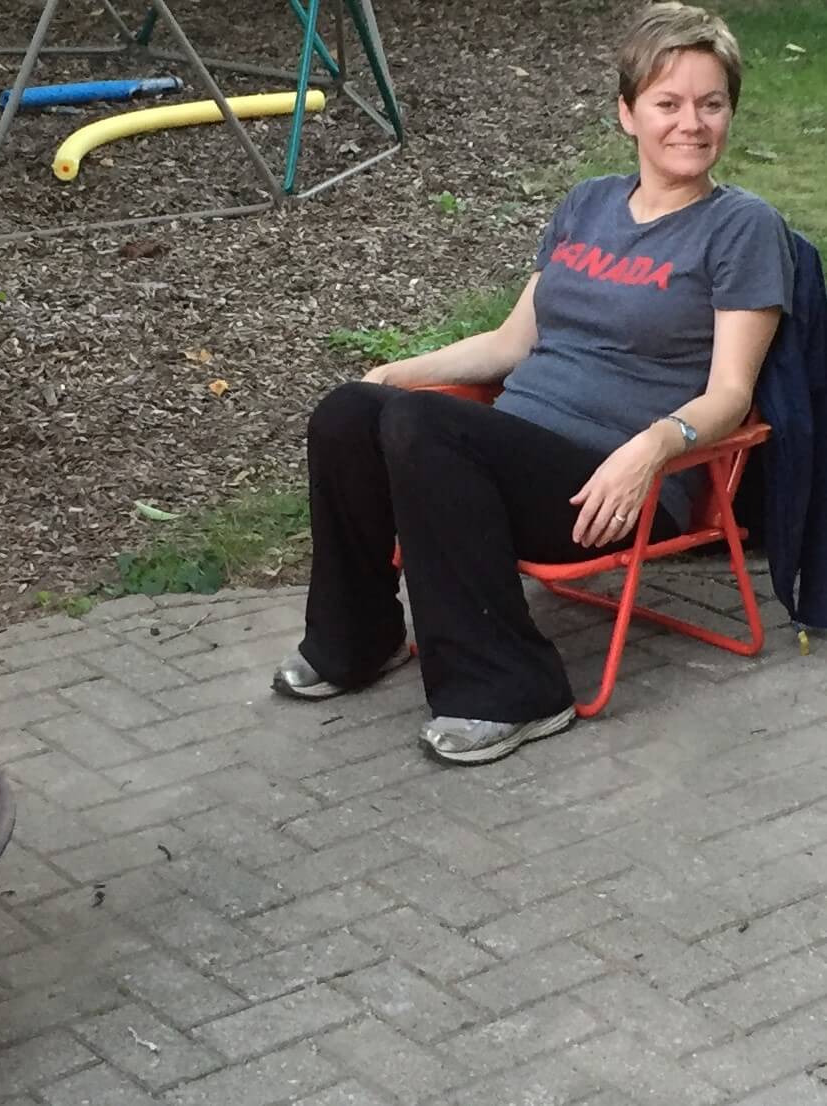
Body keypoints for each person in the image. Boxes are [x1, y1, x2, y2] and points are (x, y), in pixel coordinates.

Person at [272, 1, 794, 765]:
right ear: (628, 114)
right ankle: (356, 640)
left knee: (426, 428)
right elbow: (513, 343)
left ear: (729, 114)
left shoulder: (742, 229)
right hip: (507, 457)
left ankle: (514, 691)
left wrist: (650, 450)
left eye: (711, 104)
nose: (691, 123)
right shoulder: (587, 205)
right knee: (351, 412)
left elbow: (728, 393)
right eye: (669, 103)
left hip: (612, 483)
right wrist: (389, 375)